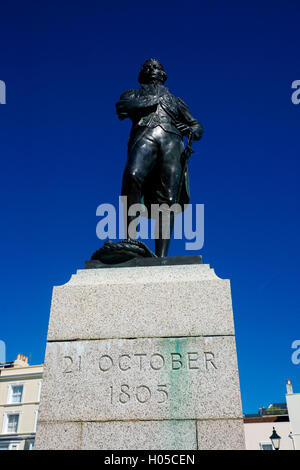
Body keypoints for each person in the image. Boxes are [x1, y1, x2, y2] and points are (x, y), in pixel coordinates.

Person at [116, 58, 203, 257]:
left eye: (156, 67)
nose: (151, 69)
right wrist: (155, 99)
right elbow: (123, 108)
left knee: (169, 198)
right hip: (144, 135)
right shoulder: (133, 94)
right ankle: (131, 238)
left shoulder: (176, 101)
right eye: (147, 67)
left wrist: (190, 129)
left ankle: (161, 256)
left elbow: (197, 127)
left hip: (172, 142)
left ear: (163, 74)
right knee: (133, 175)